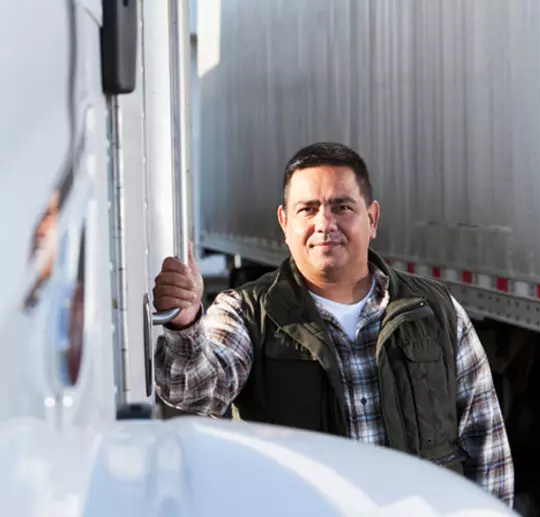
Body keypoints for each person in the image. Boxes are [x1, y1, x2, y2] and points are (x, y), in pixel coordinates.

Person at [153, 142, 514, 507]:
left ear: (372, 219)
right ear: (285, 222)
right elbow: (195, 394)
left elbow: (487, 445)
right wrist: (185, 324)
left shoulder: (435, 309)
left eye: (342, 207)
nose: (325, 223)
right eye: (307, 209)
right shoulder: (245, 312)